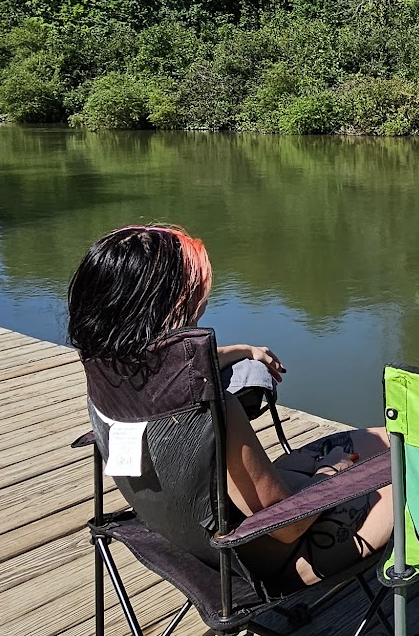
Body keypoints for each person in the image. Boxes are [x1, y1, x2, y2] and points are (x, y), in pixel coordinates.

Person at [67, 223, 393, 587]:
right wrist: (332, 472)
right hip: (262, 556)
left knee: (381, 438)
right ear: (179, 301)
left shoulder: (111, 374)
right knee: (413, 464)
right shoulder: (212, 411)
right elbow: (288, 527)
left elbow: (178, 360)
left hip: (187, 536)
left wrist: (244, 352)